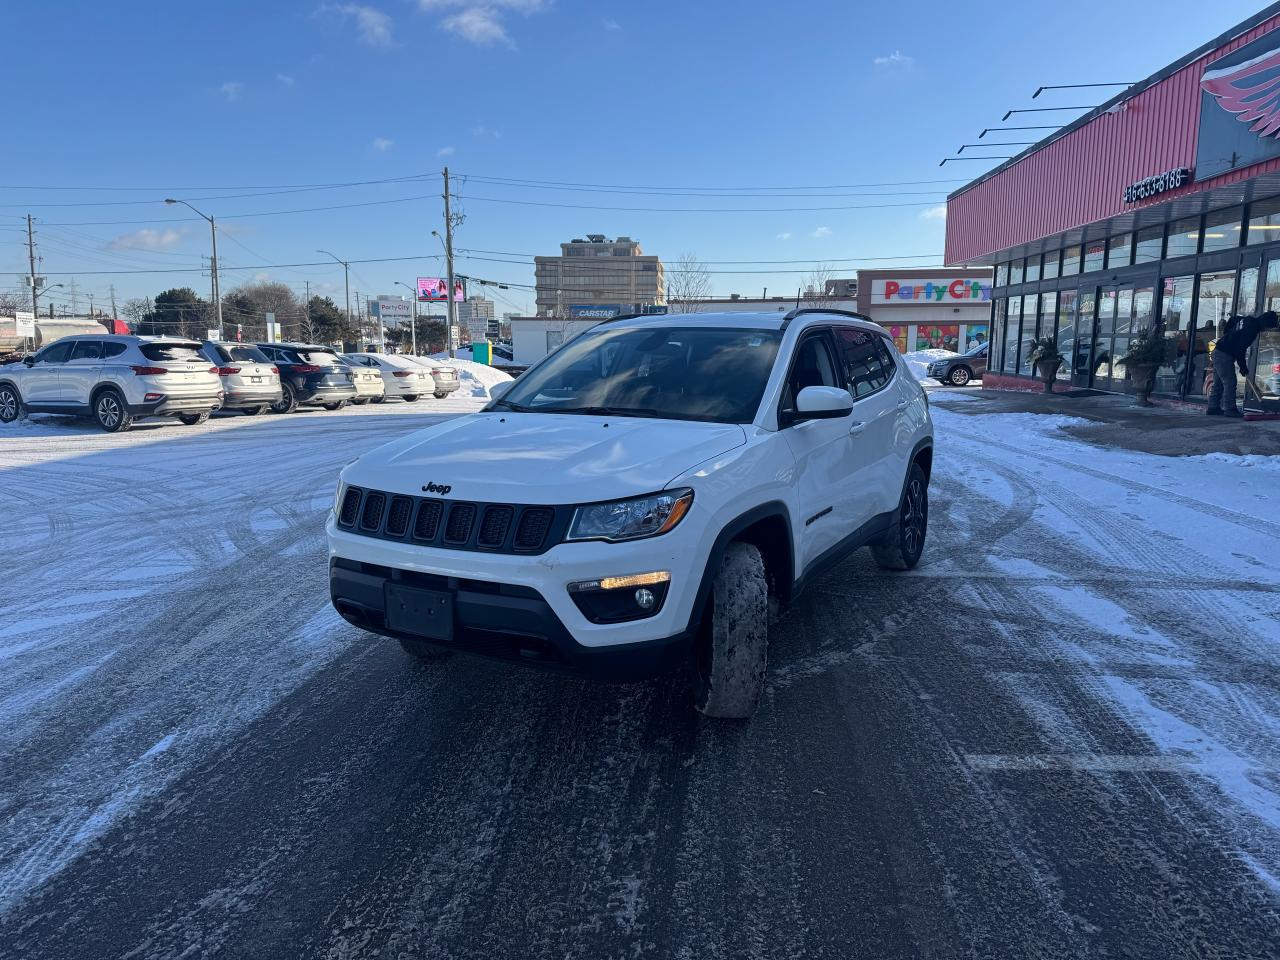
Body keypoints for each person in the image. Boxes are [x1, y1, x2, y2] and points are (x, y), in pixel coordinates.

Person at [1207, 310, 1279, 417]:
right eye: (1269, 327)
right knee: (1230, 382)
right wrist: (1243, 367)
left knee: (1218, 383)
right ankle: (1230, 409)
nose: (1266, 330)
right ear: (1266, 323)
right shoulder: (1252, 330)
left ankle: (1213, 408)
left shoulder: (1247, 320)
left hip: (1218, 351)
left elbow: (1232, 319)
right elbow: (1240, 350)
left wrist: (1228, 336)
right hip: (1224, 355)